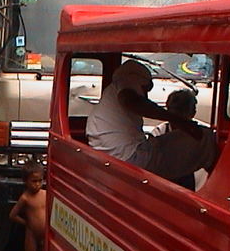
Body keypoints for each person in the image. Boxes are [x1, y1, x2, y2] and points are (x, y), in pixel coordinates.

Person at [85, 60, 217, 181]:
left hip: (110, 156)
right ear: (139, 80)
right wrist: (180, 121)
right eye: (145, 89)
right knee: (206, 137)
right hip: (131, 157)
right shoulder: (127, 82)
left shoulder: (109, 94)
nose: (145, 95)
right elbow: (130, 100)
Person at [9, 161, 47, 251]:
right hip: (31, 234)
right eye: (33, 181)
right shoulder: (25, 198)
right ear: (25, 181)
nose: (37, 184)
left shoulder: (45, 194)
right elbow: (13, 215)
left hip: (45, 234)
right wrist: (27, 224)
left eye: (40, 181)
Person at [150, 89, 200, 190]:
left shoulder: (200, 135)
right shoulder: (159, 132)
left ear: (192, 113)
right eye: (175, 110)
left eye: (183, 110)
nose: (178, 116)